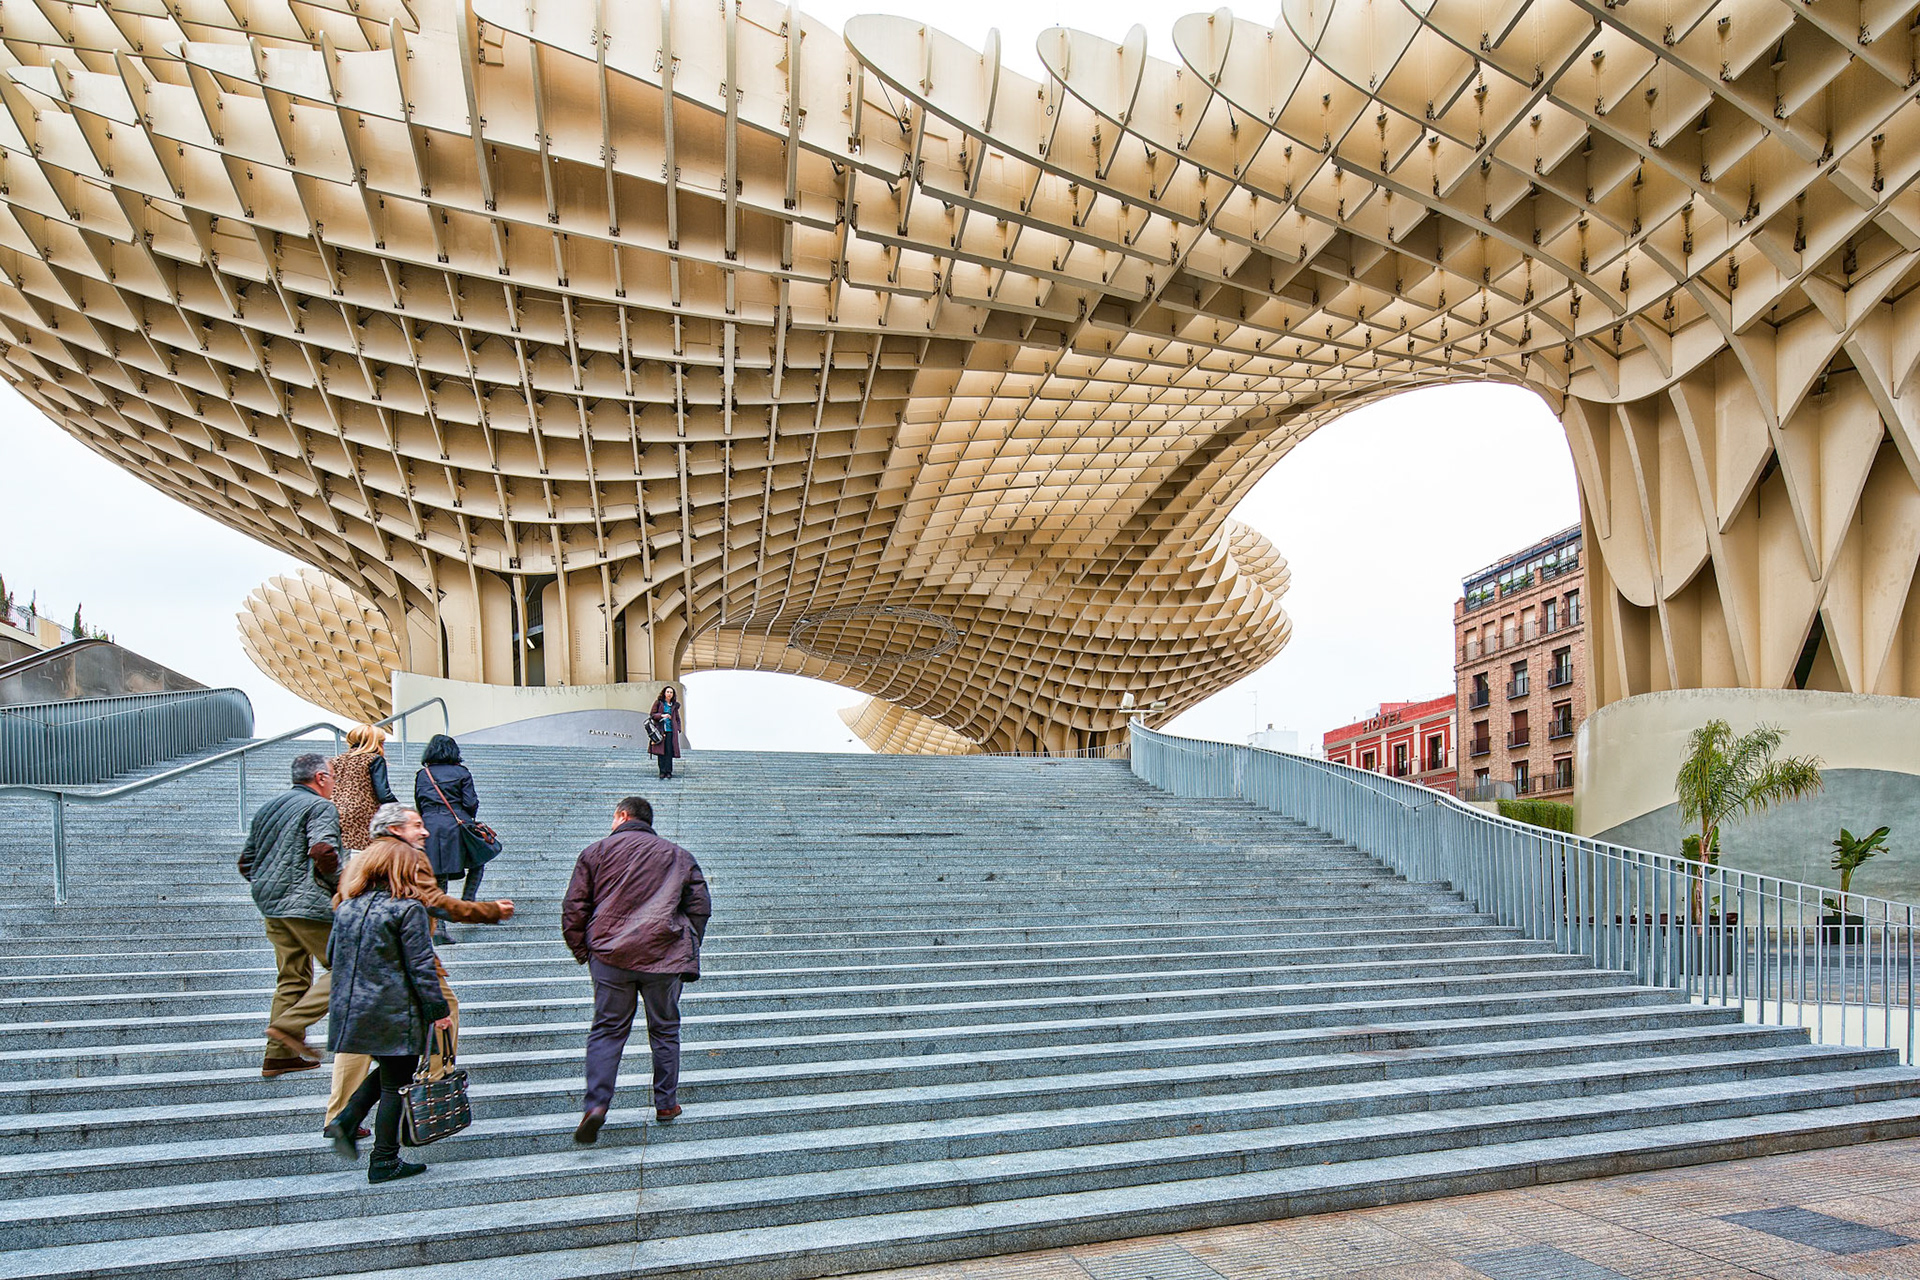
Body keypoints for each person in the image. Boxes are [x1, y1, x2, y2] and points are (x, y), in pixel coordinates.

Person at [322, 803, 514, 1144]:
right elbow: (434, 903)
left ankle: (340, 1114)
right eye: (416, 825)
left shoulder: (360, 859)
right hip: (402, 958)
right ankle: (429, 1094)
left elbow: (340, 909)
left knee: (357, 1042)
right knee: (443, 1013)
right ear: (396, 829)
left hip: (357, 966)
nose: (424, 832)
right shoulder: (406, 858)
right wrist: (489, 910)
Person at [562, 795, 711, 1143]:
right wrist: (686, 945)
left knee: (607, 1030)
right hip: (663, 955)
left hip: (610, 956)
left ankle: (597, 1105)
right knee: (665, 1029)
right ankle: (666, 1103)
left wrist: (584, 950)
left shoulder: (595, 852)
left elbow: (574, 907)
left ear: (622, 816)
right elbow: (700, 907)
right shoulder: (678, 855)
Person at [323, 836, 452, 1183]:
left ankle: (347, 1120)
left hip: (354, 1009)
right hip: (394, 1009)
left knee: (390, 1071)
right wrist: (437, 1010)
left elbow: (331, 956)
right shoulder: (408, 908)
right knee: (397, 1082)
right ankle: (384, 1160)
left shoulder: (347, 906)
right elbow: (421, 966)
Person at [238, 753, 343, 1079]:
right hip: (307, 905)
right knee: (351, 965)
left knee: (292, 977)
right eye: (333, 778)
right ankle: (288, 1026)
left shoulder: (269, 808)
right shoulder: (320, 807)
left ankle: (279, 1056)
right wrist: (341, 886)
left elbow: (246, 862)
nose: (334, 784)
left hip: (271, 905)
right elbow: (323, 850)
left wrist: (270, 885)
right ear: (321, 778)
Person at [415, 733, 484, 943]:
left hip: (429, 826)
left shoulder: (423, 774)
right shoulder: (462, 772)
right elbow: (471, 802)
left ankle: (438, 928)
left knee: (438, 876)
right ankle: (468, 902)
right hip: (457, 823)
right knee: (479, 858)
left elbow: (419, 801)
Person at [329, 724, 397, 854]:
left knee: (342, 857)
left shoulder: (335, 760)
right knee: (366, 856)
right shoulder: (374, 759)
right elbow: (383, 794)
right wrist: (400, 809)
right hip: (362, 813)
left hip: (334, 811)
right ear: (375, 742)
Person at [647, 686, 686, 779]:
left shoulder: (674, 706)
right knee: (661, 752)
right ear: (664, 693)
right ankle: (662, 771)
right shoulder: (659, 703)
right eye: (668, 692)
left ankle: (669, 772)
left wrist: (678, 728)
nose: (669, 694)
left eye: (671, 692)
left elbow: (677, 718)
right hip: (660, 731)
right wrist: (662, 715)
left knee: (669, 752)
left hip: (670, 731)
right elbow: (652, 715)